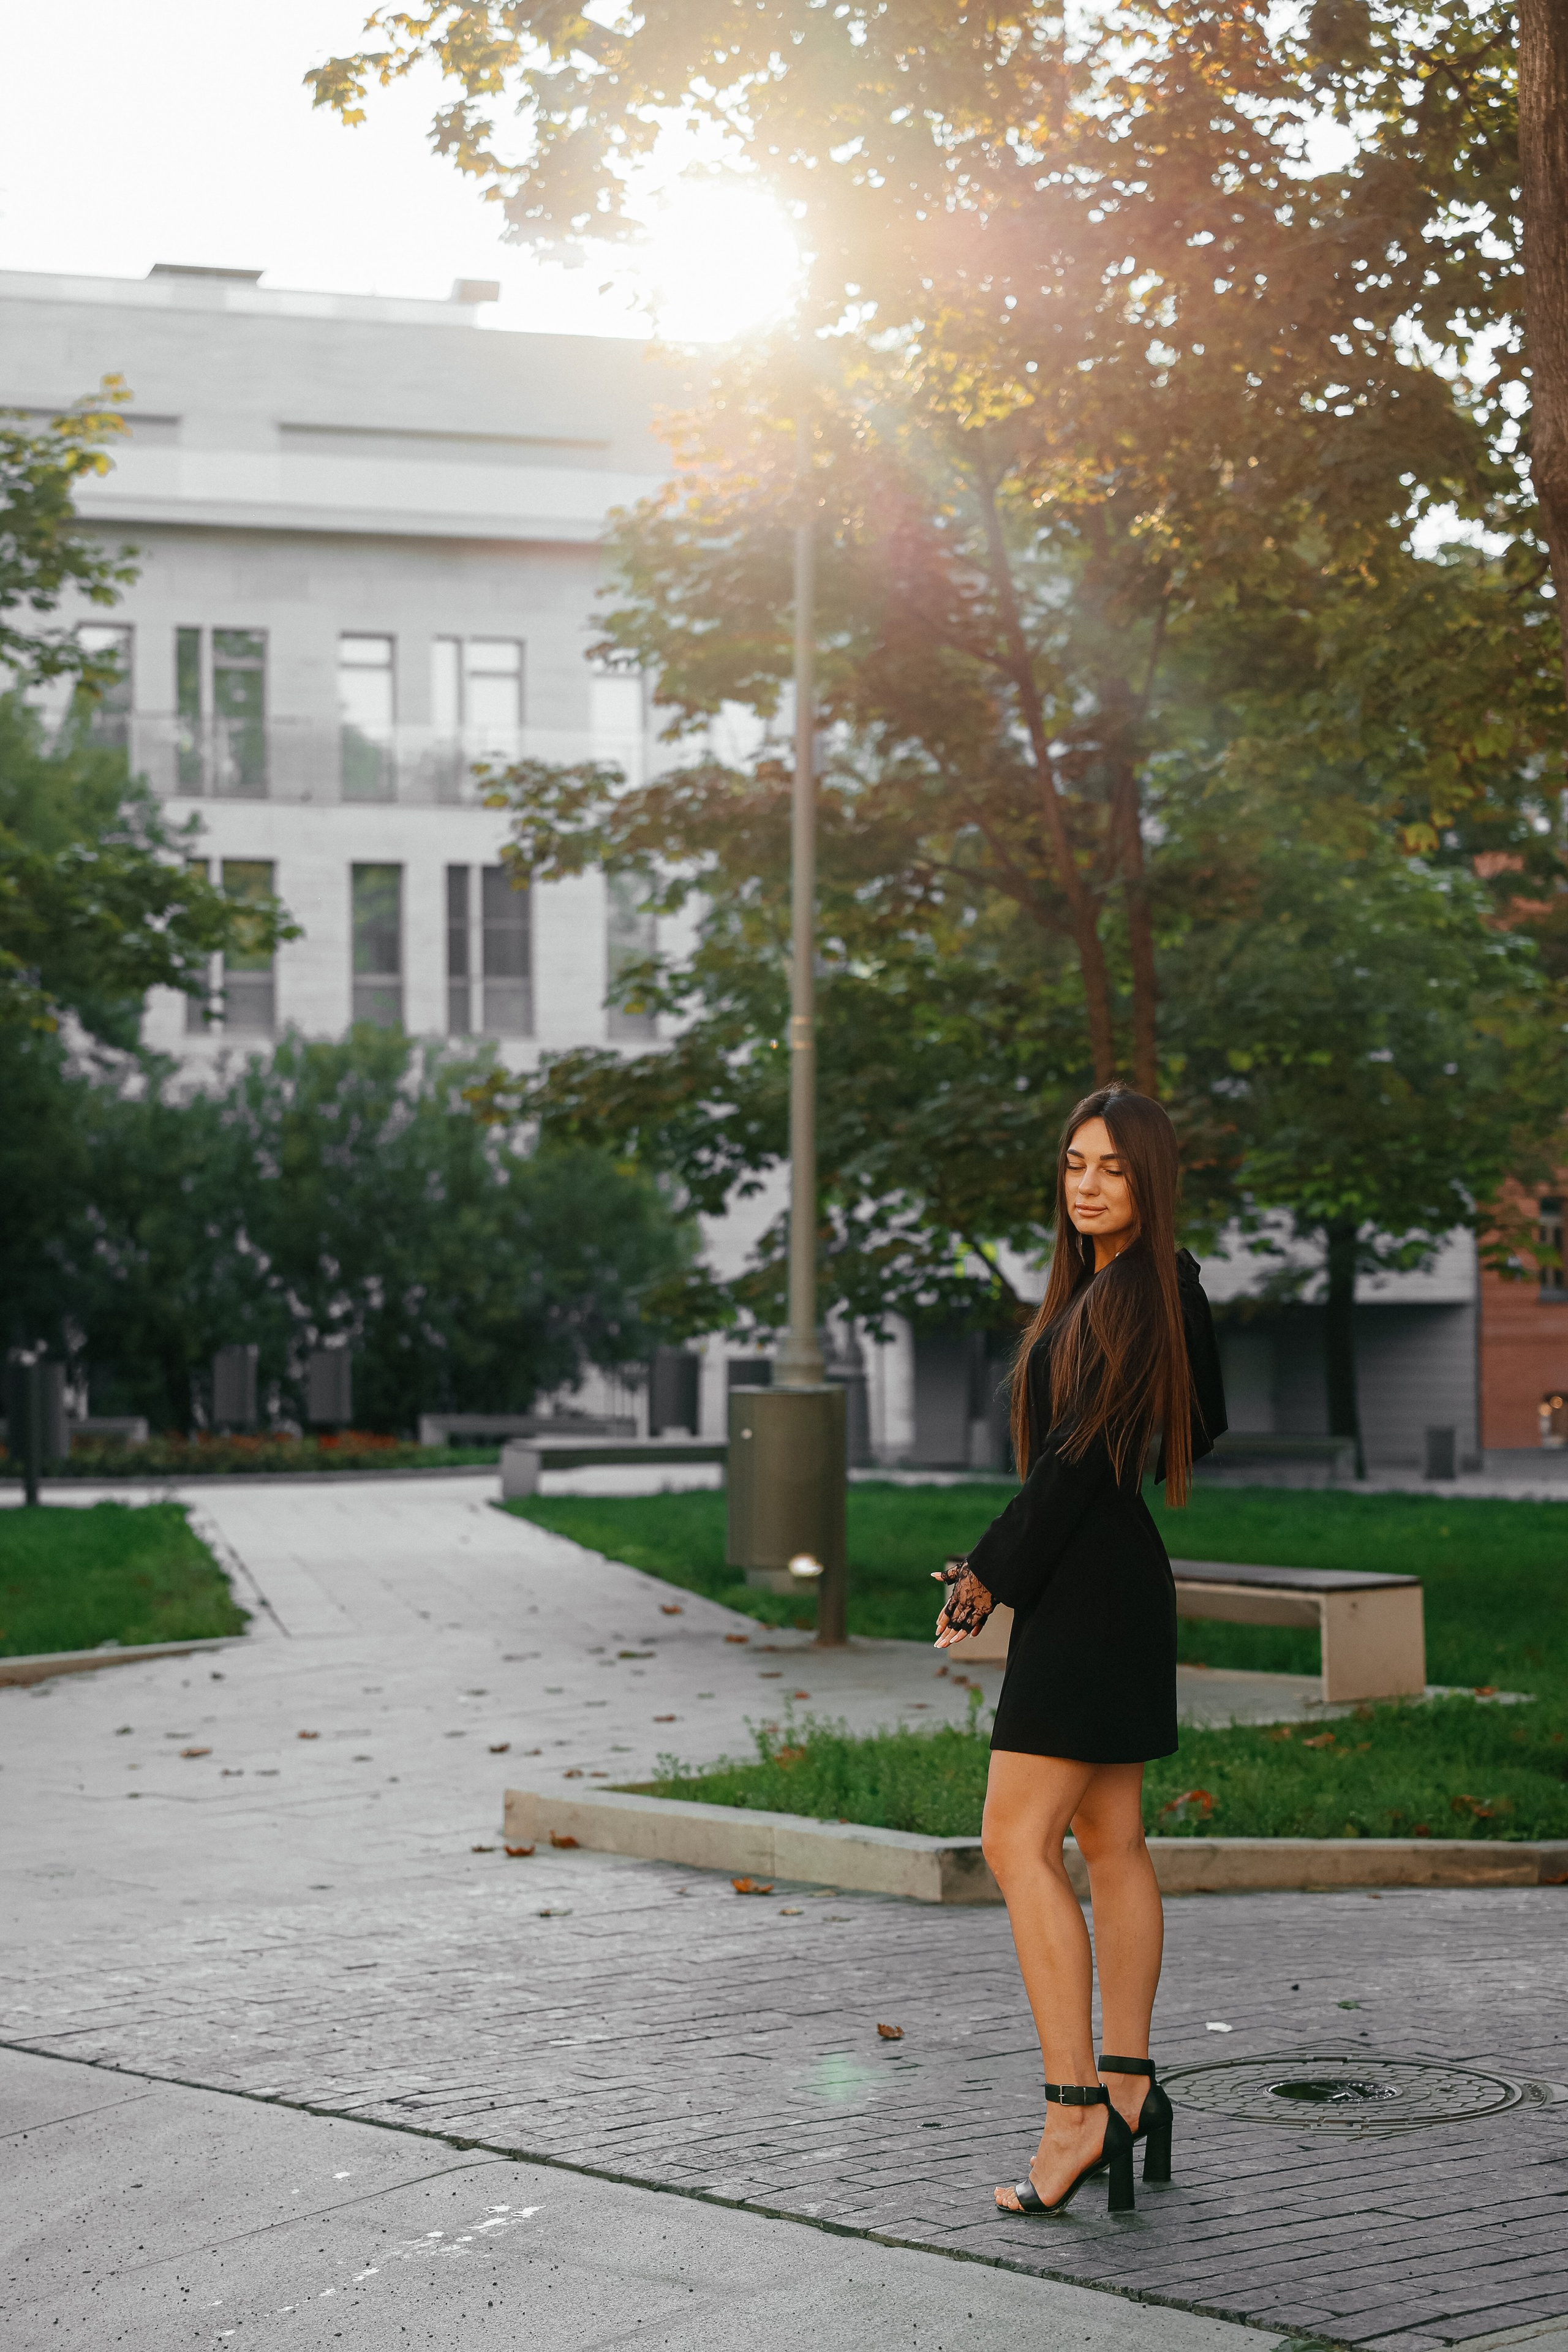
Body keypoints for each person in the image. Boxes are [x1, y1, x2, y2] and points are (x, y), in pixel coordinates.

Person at [934, 1084, 1226, 2220]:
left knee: (1016, 1841)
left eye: (1112, 1167)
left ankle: (1074, 2118)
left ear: (1149, 1179)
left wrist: (985, 1575)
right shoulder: (1149, 1291)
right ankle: (1131, 2085)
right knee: (1109, 1839)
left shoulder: (1129, 1298)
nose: (1089, 1184)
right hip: (1114, 1586)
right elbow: (1197, 1430)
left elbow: (1067, 1470)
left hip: (1088, 1591)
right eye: (1074, 1166)